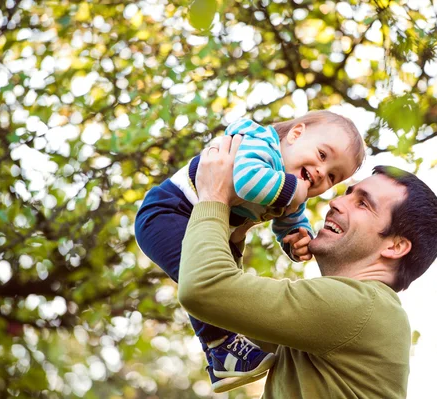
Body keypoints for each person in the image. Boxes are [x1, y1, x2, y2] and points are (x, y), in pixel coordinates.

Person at [177, 135, 437, 398]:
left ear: (395, 246)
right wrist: (241, 228)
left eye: (363, 204)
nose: (335, 202)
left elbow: (204, 289)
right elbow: (227, 319)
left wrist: (213, 195)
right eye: (346, 193)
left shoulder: (360, 307)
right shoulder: (349, 314)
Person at [134, 111, 365, 392]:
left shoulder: (293, 191)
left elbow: (291, 223)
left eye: (332, 177)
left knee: (222, 282)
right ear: (295, 134)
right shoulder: (260, 143)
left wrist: (297, 240)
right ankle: (222, 349)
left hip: (211, 228)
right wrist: (294, 191)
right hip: (169, 212)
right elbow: (247, 181)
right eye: (321, 155)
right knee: (202, 277)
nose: (320, 173)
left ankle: (223, 356)